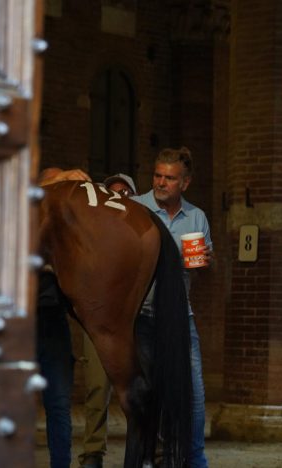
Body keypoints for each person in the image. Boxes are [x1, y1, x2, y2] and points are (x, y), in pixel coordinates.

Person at [132, 147, 212, 468]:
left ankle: (195, 459)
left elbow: (200, 268)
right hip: (141, 315)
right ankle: (151, 458)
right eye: (157, 176)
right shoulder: (134, 208)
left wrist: (204, 259)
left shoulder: (195, 217)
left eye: (169, 178)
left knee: (193, 392)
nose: (161, 183)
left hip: (179, 316)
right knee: (147, 392)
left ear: (185, 183)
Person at [79, 173, 138, 468]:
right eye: (112, 193)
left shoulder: (140, 232)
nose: (118, 197)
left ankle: (140, 451)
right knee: (96, 389)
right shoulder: (91, 235)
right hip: (98, 322)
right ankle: (92, 452)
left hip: (134, 322)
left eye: (125, 193)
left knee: (139, 390)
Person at [36, 167, 90, 468]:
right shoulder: (24, 218)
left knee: (58, 403)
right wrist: (60, 178)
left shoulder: (63, 235)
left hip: (53, 321)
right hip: (21, 326)